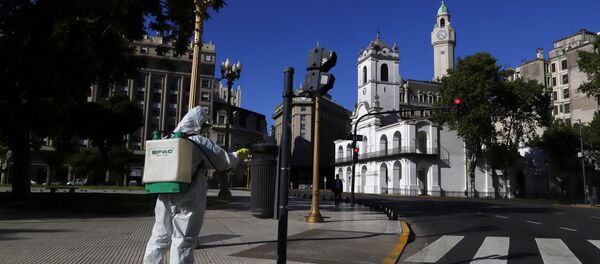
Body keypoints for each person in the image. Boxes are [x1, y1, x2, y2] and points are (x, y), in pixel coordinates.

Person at [143, 107, 249, 264]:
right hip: (188, 196)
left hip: (163, 194)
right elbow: (223, 161)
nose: (206, 129)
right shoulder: (198, 141)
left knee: (159, 237)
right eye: (205, 125)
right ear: (199, 123)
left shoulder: (166, 138)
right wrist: (237, 155)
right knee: (183, 240)